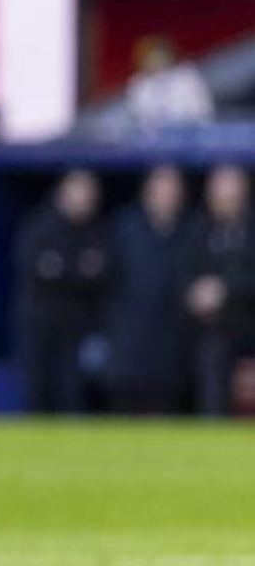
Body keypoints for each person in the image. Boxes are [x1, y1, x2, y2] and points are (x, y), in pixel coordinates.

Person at [14, 169, 109, 415]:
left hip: (76, 324)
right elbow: (35, 268)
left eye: (89, 194)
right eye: (79, 191)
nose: (85, 199)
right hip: (39, 322)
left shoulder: (95, 231)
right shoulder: (40, 226)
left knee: (71, 391)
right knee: (38, 388)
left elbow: (100, 273)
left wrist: (62, 270)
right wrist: (76, 271)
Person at [105, 165, 198, 414]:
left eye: (172, 189)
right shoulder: (125, 229)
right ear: (148, 191)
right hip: (129, 344)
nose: (166, 195)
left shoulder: (191, 231)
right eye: (161, 188)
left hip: (173, 347)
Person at [184, 165, 254, 419]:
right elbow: (184, 273)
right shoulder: (200, 230)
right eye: (219, 188)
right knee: (210, 358)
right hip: (215, 327)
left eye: (231, 187)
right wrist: (194, 293)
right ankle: (211, 425)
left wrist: (225, 289)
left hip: (249, 319)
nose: (225, 195)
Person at [124, 36, 214, 131]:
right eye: (151, 59)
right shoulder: (139, 84)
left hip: (189, 132)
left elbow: (202, 110)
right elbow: (138, 115)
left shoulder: (186, 77)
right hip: (153, 138)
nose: (156, 63)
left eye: (160, 57)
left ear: (170, 56)